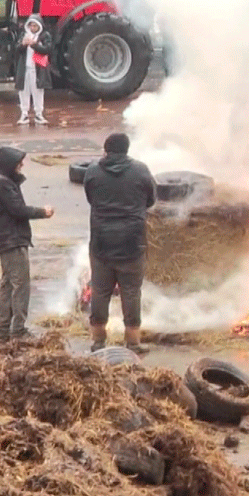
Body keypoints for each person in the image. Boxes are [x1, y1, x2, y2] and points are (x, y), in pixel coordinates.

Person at [83, 133, 157, 353]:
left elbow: (90, 197)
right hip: (132, 244)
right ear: (127, 149)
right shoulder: (141, 170)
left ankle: (98, 341)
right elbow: (151, 199)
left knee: (100, 291)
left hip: (101, 243)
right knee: (132, 292)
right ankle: (133, 342)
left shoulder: (93, 171)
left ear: (106, 149)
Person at [0, 146, 54, 343]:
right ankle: (18, 330)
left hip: (8, 239)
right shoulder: (3, 183)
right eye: (19, 162)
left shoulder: (5, 181)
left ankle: (2, 330)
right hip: (12, 241)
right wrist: (42, 212)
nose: (22, 165)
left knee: (8, 285)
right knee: (20, 285)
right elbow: (17, 209)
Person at [15, 14, 51, 125]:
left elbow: (47, 49)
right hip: (25, 68)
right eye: (31, 25)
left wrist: (35, 45)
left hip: (38, 69)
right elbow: (17, 49)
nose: (32, 28)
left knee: (38, 92)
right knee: (23, 91)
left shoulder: (44, 36)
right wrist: (23, 44)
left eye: (35, 26)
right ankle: (24, 113)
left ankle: (39, 114)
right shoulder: (24, 35)